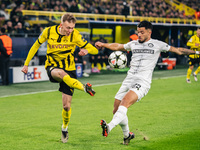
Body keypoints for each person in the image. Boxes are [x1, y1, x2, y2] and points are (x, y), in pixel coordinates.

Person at [95, 21, 200, 145]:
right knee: (116, 110)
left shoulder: (157, 44)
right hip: (129, 79)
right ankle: (127, 135)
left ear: (149, 32)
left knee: (125, 102)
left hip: (142, 81)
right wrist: (103, 44)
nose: (139, 34)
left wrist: (197, 52)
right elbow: (118, 46)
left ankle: (109, 126)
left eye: (142, 32)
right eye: (138, 32)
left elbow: (178, 50)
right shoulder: (133, 44)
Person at [21, 13, 98, 143]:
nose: (70, 31)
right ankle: (84, 88)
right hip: (52, 67)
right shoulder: (49, 31)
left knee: (66, 106)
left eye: (72, 27)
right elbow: (35, 46)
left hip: (70, 70)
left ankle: (64, 128)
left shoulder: (76, 35)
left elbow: (94, 50)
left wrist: (87, 50)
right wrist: (26, 63)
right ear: (61, 25)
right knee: (61, 73)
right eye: (68, 28)